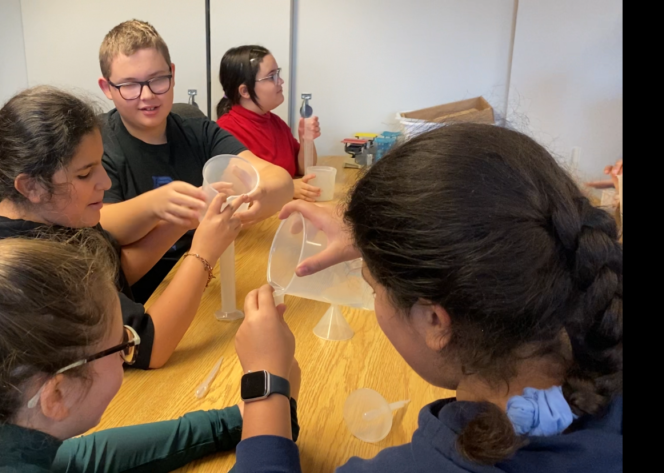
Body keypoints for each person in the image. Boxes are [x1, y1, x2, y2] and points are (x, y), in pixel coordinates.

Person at [232, 123, 623, 472]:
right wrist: (389, 242)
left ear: (435, 321)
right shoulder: (602, 323)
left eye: (373, 286)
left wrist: (266, 382)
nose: (373, 295)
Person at [0, 235, 302, 472]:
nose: (128, 352)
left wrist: (233, 420)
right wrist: (266, 389)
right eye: (123, 347)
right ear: (56, 393)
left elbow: (75, 459)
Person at [0, 86, 246, 369]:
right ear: (31, 186)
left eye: (99, 165)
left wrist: (181, 224)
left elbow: (111, 270)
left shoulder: (33, 211)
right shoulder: (21, 266)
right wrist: (203, 252)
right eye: (84, 173)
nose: (104, 182)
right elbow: (146, 346)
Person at [96, 19, 295, 301]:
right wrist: (161, 206)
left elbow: (276, 177)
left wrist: (261, 192)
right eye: (129, 85)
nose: (148, 95)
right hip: (145, 298)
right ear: (107, 88)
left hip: (206, 277)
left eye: (158, 79)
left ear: (172, 73)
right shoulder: (98, 144)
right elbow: (103, 220)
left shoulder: (198, 130)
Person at [216, 45, 322, 202]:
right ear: (245, 91)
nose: (281, 81)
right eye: (271, 76)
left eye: (277, 73)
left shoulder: (275, 122)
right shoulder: (225, 131)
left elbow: (303, 169)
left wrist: (307, 139)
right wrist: (288, 188)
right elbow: (238, 189)